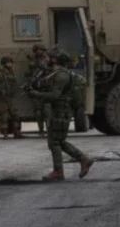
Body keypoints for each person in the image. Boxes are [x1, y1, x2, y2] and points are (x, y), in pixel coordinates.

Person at [26, 47, 94, 182]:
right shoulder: (57, 73)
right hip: (59, 111)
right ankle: (82, 160)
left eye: (49, 57)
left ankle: (59, 171)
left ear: (55, 60)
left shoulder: (62, 75)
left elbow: (55, 95)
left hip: (61, 111)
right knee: (57, 141)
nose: (47, 59)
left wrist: (36, 94)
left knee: (54, 142)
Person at [0, 56, 22, 139]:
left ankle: (17, 132)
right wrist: (1, 92)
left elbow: (13, 84)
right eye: (8, 63)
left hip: (10, 97)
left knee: (15, 115)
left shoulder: (11, 72)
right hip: (2, 98)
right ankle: (5, 134)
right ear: (4, 64)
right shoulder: (0, 74)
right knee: (4, 117)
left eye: (11, 62)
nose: (10, 64)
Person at [26, 44, 50, 137]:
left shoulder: (47, 59)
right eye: (37, 50)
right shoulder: (33, 60)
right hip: (36, 88)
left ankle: (48, 129)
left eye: (40, 50)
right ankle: (41, 130)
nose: (38, 52)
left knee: (47, 111)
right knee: (38, 112)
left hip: (46, 89)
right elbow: (29, 73)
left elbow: (46, 67)